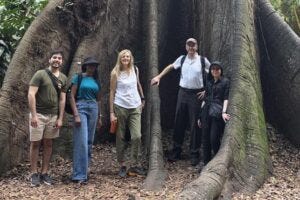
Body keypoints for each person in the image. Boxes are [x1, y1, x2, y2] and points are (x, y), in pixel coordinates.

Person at [151, 38, 210, 166]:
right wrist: (158, 76)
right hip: (182, 93)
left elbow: (213, 73)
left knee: (195, 124)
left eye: (193, 45)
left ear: (197, 46)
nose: (191, 47)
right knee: (179, 121)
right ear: (186, 47)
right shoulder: (182, 59)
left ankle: (194, 153)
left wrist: (207, 91)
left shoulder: (202, 60)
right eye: (189, 45)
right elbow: (171, 67)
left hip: (197, 94)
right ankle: (176, 151)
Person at [28, 50, 67, 187]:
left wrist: (60, 118)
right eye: (54, 57)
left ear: (62, 61)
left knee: (48, 144)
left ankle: (44, 173)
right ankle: (33, 173)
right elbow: (31, 94)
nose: (57, 60)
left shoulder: (63, 78)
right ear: (49, 60)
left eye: (59, 58)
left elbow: (62, 99)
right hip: (38, 115)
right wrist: (33, 115)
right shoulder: (40, 74)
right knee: (35, 143)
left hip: (53, 116)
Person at [109, 49, 146, 177]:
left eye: (128, 57)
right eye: (123, 56)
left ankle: (134, 164)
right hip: (120, 106)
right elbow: (112, 92)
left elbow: (138, 84)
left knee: (137, 136)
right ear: (120, 58)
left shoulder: (135, 69)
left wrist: (142, 98)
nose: (126, 58)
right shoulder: (115, 72)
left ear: (131, 58)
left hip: (135, 106)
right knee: (120, 136)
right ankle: (122, 165)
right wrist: (111, 112)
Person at [69, 57, 102, 184]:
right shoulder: (78, 77)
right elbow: (71, 95)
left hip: (93, 108)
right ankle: (78, 175)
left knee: (89, 141)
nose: (92, 67)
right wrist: (76, 114)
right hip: (81, 107)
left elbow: (99, 100)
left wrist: (100, 117)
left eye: (94, 65)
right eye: (89, 65)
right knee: (81, 141)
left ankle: (85, 170)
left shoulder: (96, 80)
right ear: (85, 66)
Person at [198, 61, 230, 165]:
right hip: (206, 111)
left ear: (221, 70)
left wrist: (224, 112)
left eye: (217, 69)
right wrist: (200, 116)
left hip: (217, 112)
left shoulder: (225, 82)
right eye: (213, 69)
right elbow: (205, 99)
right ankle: (206, 162)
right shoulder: (209, 82)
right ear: (211, 71)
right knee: (205, 138)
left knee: (214, 138)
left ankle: (217, 160)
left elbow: (226, 98)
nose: (215, 71)